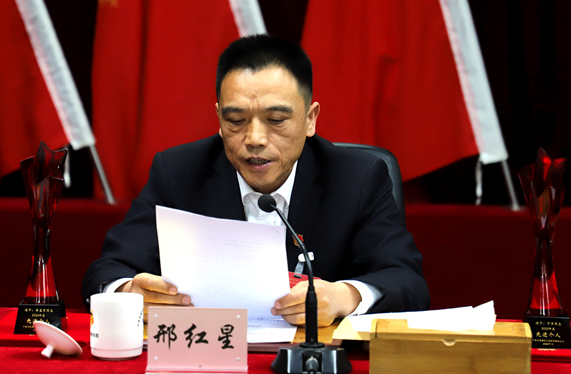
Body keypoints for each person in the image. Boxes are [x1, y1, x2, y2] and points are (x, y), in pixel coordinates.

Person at [82, 35, 430, 326]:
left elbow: (406, 281)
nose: (255, 139)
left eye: (276, 120)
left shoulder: (357, 178)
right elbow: (107, 271)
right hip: (209, 361)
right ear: (219, 119)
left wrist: (345, 296)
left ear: (310, 119)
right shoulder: (179, 172)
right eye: (236, 121)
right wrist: (129, 294)